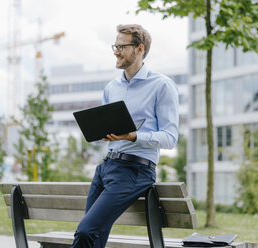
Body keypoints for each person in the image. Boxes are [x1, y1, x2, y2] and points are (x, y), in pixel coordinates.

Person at [70, 24, 179, 248]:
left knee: (86, 231)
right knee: (92, 236)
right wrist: (102, 133)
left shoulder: (162, 86)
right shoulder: (112, 87)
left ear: (139, 49)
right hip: (106, 167)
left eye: (122, 46)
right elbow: (107, 131)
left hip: (135, 170)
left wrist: (132, 136)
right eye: (115, 46)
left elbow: (170, 137)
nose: (116, 51)